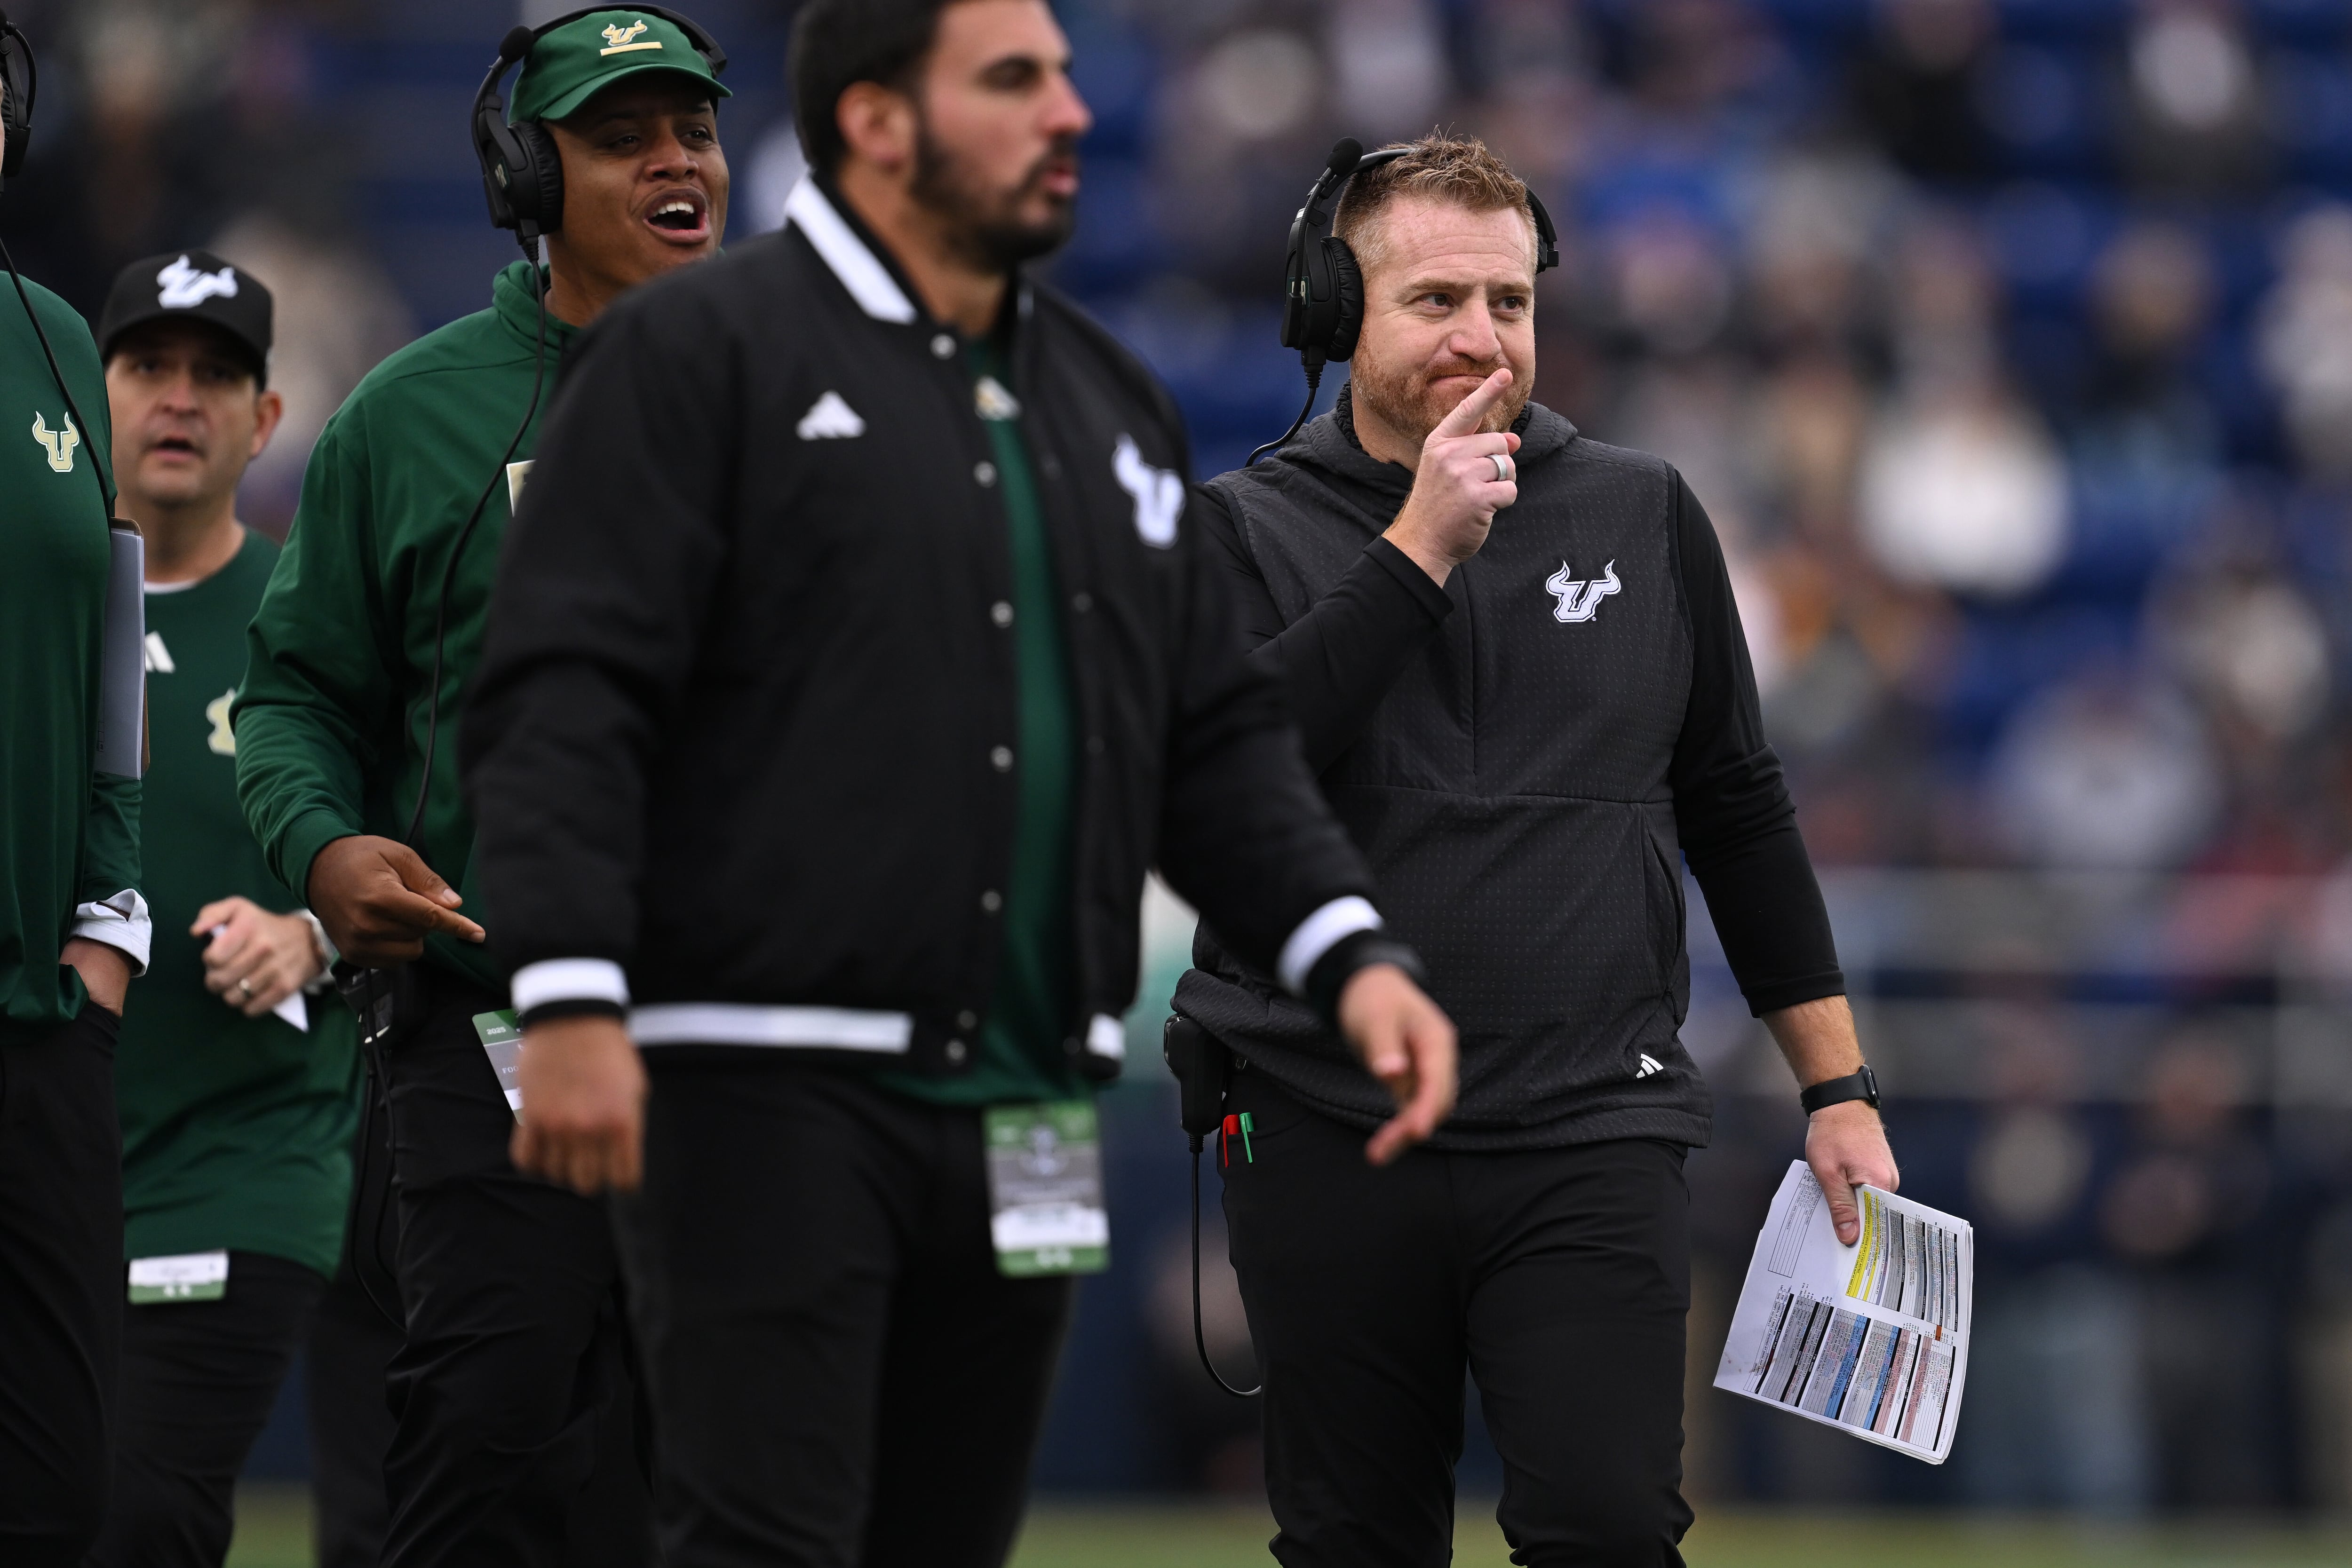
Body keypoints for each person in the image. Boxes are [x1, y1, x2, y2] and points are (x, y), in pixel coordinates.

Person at [460, 2, 1460, 1565]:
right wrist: (573, 990)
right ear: (877, 122)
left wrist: (1349, 950)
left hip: (1027, 1094)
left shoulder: (1106, 397)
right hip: (763, 1080)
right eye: (1013, 80)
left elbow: (1206, 735)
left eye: (1061, 73)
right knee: (766, 1543)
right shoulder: (693, 354)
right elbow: (564, 696)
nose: (1070, 111)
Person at [1172, 135, 1902, 1568]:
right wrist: (1417, 553)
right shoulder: (1240, 528)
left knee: (1613, 1531)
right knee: (1353, 1541)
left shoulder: (1645, 510)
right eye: (1437, 300)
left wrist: (1839, 1090)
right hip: (1322, 1115)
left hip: (1592, 1123)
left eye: (1509, 301)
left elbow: (1740, 812)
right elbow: (1224, 776)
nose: (1482, 336)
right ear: (1341, 310)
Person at [232, 11, 731, 1565]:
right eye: (622, 138)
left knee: (729, 1475)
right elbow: (296, 696)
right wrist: (323, 850)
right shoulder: (413, 417)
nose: (677, 164)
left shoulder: (812, 402)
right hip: (492, 1014)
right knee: (485, 1436)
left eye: (694, 130)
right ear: (531, 176)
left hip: (749, 1032)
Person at [84, 249, 363, 1568]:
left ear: (268, 418)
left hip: (242, 1156)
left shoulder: (317, 618)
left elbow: (446, 842)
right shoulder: (34, 609)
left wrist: (314, 934)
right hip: (52, 1155)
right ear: (92, 399)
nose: (179, 400)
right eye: (148, 367)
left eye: (216, 375)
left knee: (142, 1512)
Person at [0, 23, 150, 1563]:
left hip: (44, 1014)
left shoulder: (54, 335)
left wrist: (108, 917)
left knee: (61, 1485)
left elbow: (116, 648)